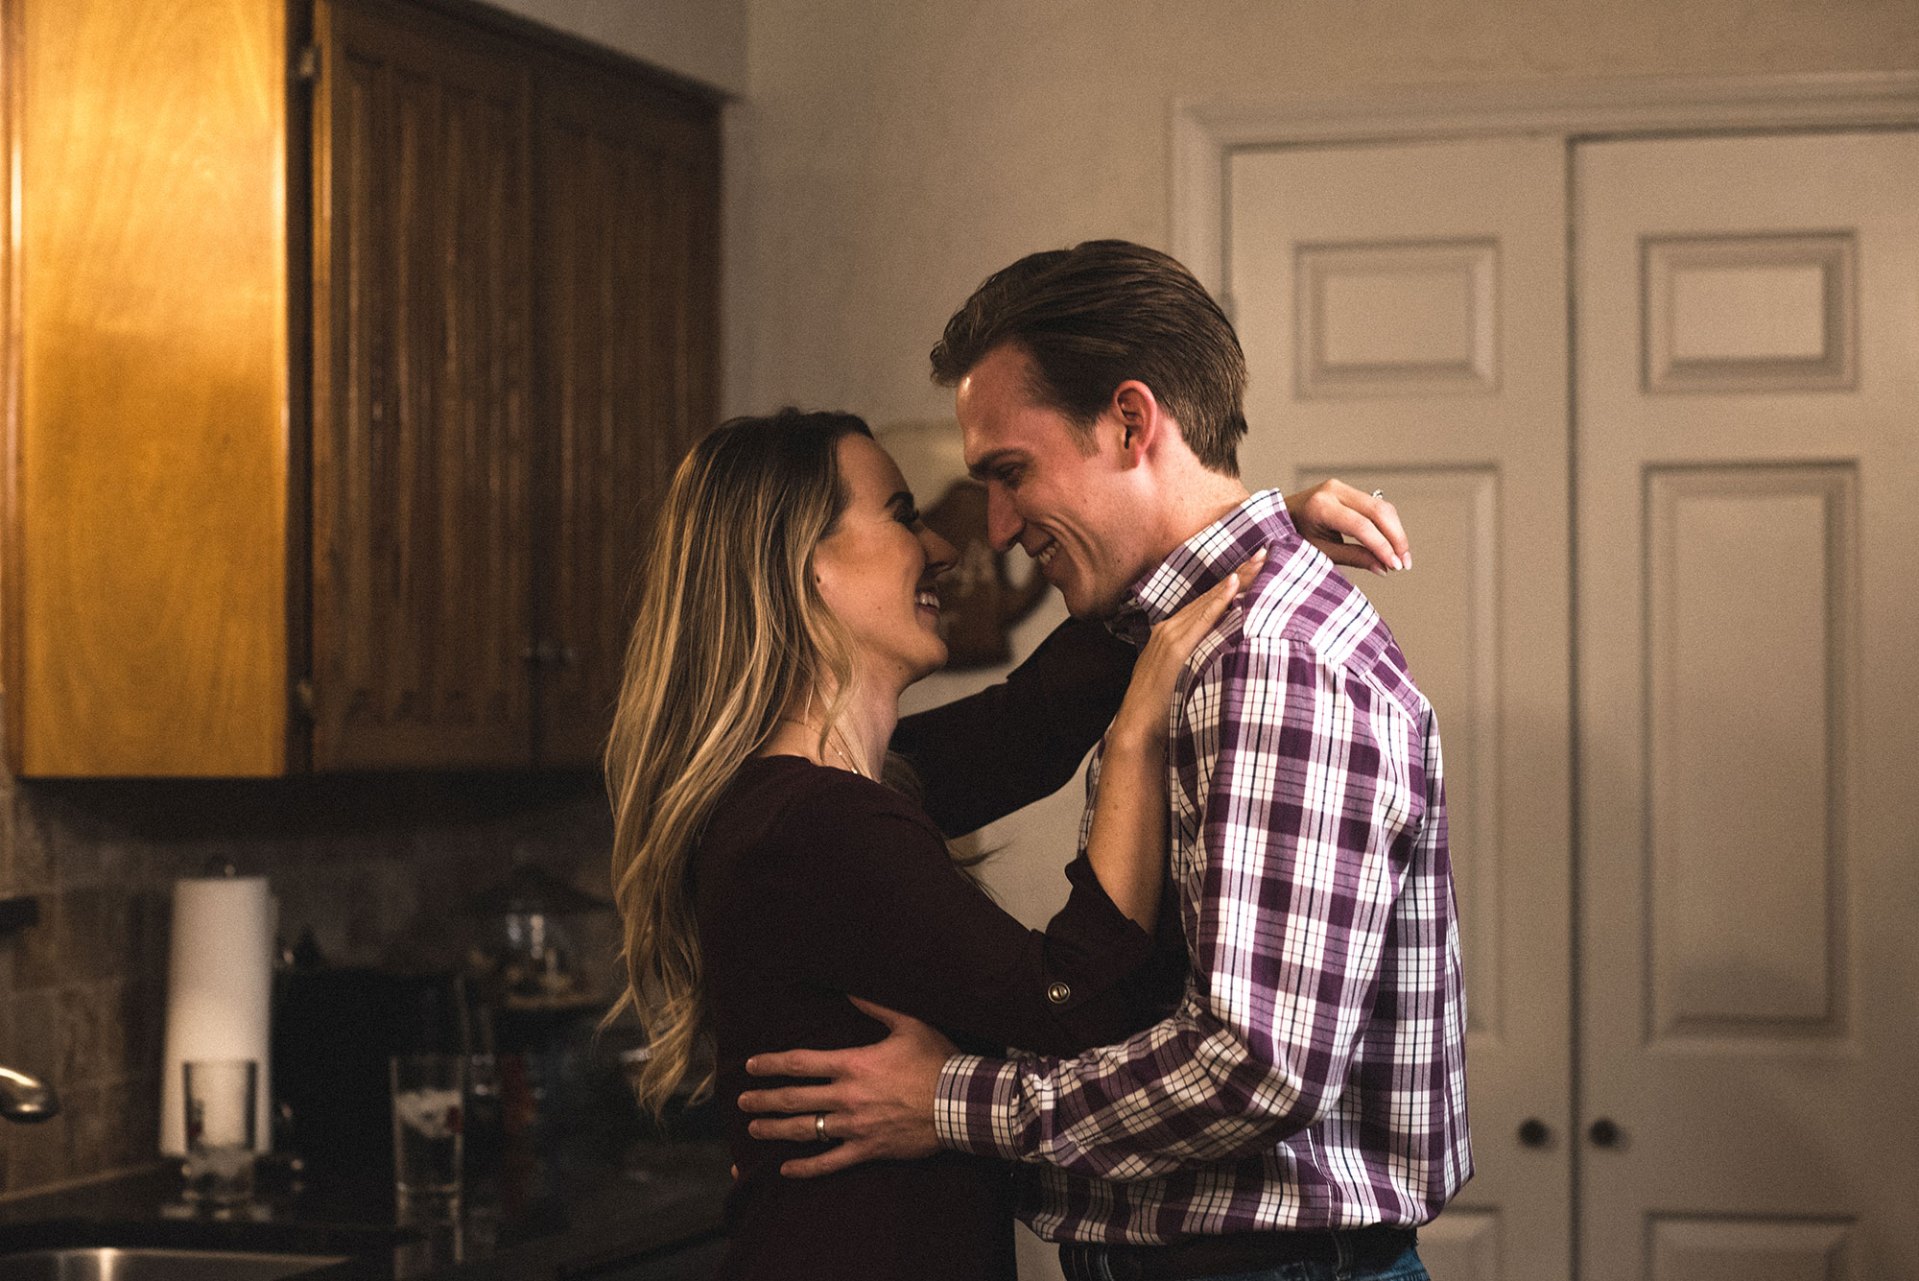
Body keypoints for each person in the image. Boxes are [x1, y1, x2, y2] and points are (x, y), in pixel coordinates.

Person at [738, 241, 1466, 1281]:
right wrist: (1253, 538)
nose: (990, 530)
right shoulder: (1194, 643)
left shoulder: (1269, 661)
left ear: (1130, 422)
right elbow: (1004, 733)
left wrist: (949, 1100)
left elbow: (1255, 1068)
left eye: (1009, 472)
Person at [604, 407, 1400, 1280]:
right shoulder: (816, 822)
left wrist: (1238, 537)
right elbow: (1071, 1008)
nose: (944, 549)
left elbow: (1028, 721)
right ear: (805, 566)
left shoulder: (821, 797)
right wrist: (1134, 738)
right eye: (902, 516)